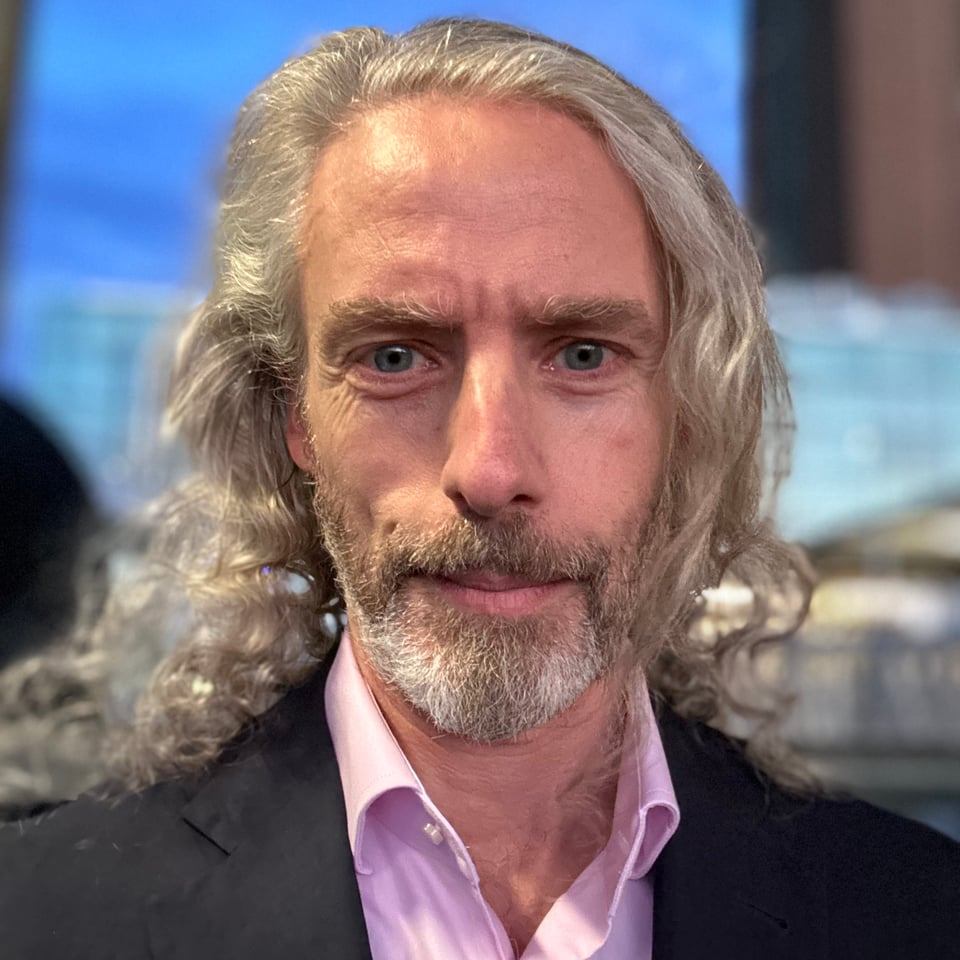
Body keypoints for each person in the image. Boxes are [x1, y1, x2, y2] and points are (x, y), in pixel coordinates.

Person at [1, 18, 957, 960]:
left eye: (582, 355)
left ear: (685, 413)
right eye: (395, 357)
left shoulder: (918, 916)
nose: (491, 472)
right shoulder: (41, 920)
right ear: (296, 415)